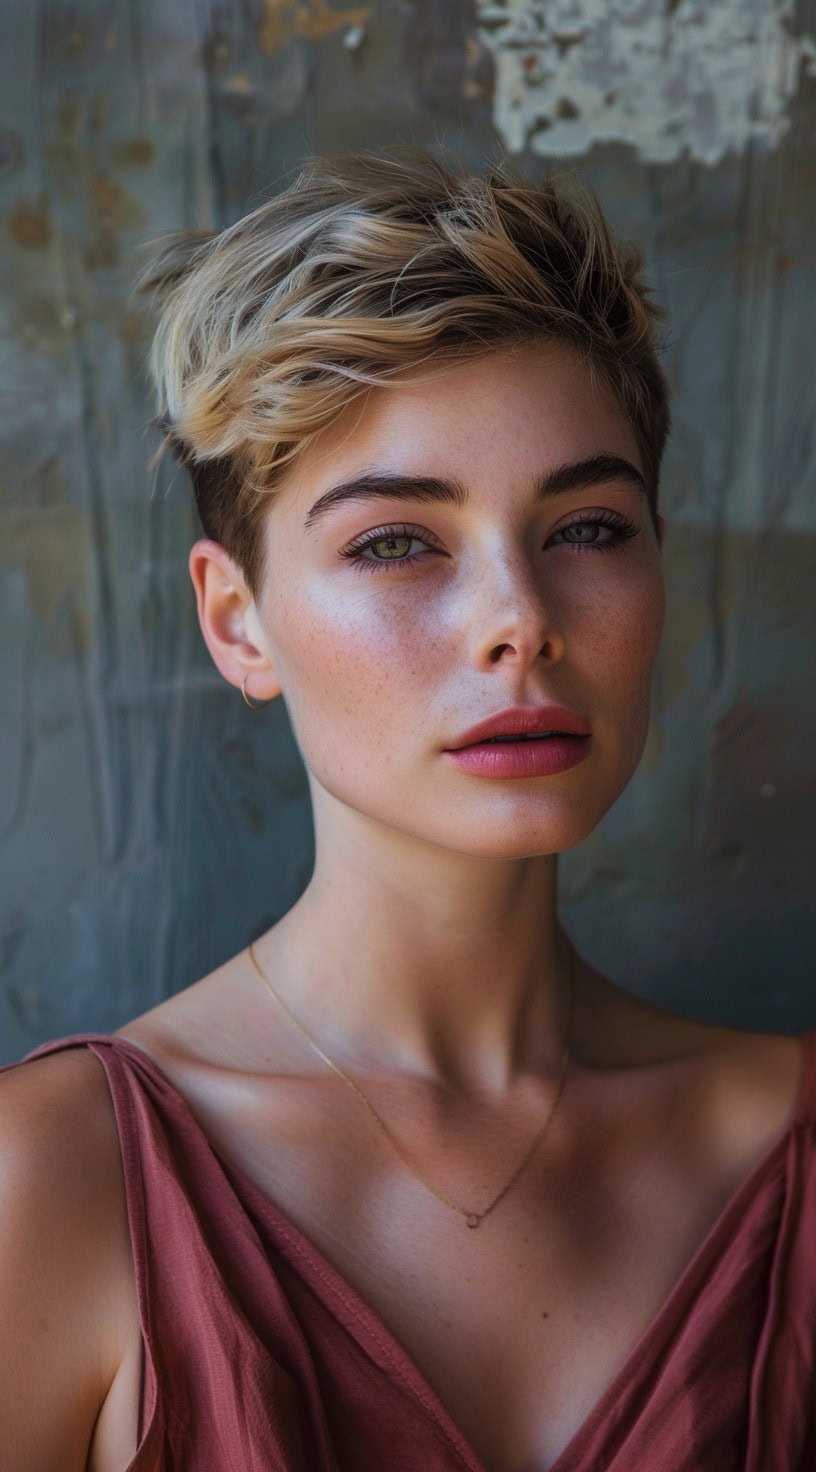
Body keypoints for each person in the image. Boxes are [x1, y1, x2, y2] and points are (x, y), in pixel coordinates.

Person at [0, 147, 813, 1472]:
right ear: (237, 620)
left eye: (590, 527)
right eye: (396, 541)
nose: (520, 622)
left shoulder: (792, 1152)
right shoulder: (52, 1181)